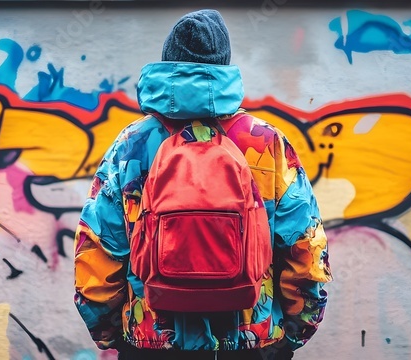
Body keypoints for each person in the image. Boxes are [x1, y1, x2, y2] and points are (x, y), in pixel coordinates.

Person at [73, 9, 331, 360]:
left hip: (154, 346)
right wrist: (292, 335)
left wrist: (115, 336)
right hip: (249, 346)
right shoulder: (266, 144)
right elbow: (305, 247)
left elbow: (98, 250)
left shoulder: (132, 144)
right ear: (224, 68)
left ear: (167, 64)